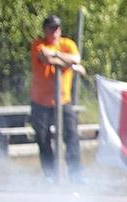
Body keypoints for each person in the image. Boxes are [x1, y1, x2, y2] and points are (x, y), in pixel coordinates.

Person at [30, 14, 86, 184]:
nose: (54, 32)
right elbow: (45, 58)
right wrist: (69, 63)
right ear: (45, 30)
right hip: (40, 102)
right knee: (42, 137)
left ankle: (76, 175)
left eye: (57, 29)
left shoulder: (67, 44)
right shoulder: (37, 45)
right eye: (50, 29)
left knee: (71, 136)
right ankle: (50, 175)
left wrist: (55, 53)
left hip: (63, 101)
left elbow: (76, 58)